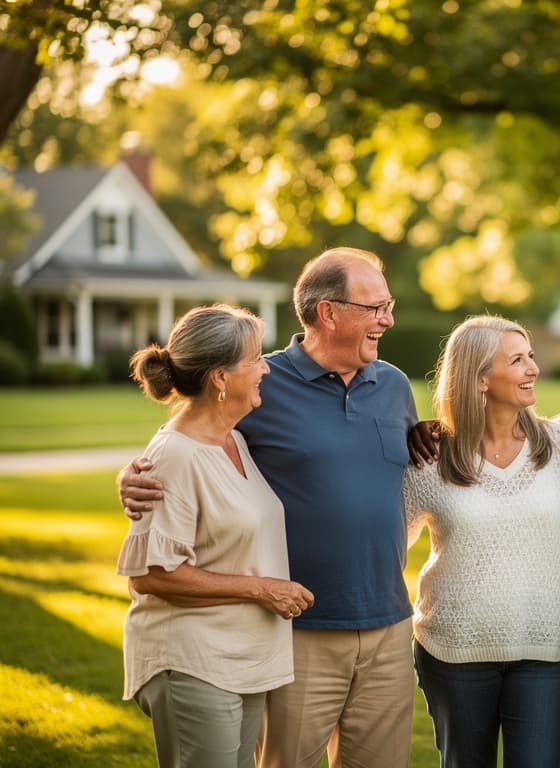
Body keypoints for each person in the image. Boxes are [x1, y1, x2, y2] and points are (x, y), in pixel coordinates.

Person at [119, 248, 419, 768]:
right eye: (376, 307)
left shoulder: (393, 386)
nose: (388, 319)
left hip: (389, 622)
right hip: (295, 629)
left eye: (387, 305)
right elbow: (185, 445)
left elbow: (408, 468)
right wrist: (131, 478)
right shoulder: (260, 383)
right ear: (329, 312)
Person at [117, 304, 314, 768]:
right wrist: (262, 589)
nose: (267, 367)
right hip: (193, 663)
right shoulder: (174, 455)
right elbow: (152, 577)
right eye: (255, 359)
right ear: (220, 378)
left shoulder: (234, 439)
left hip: (239, 659)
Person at [404, 315, 560, 767]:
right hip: (454, 651)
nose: (533, 369)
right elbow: (386, 548)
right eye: (518, 360)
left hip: (547, 650)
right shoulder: (430, 456)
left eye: (531, 357)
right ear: (480, 378)